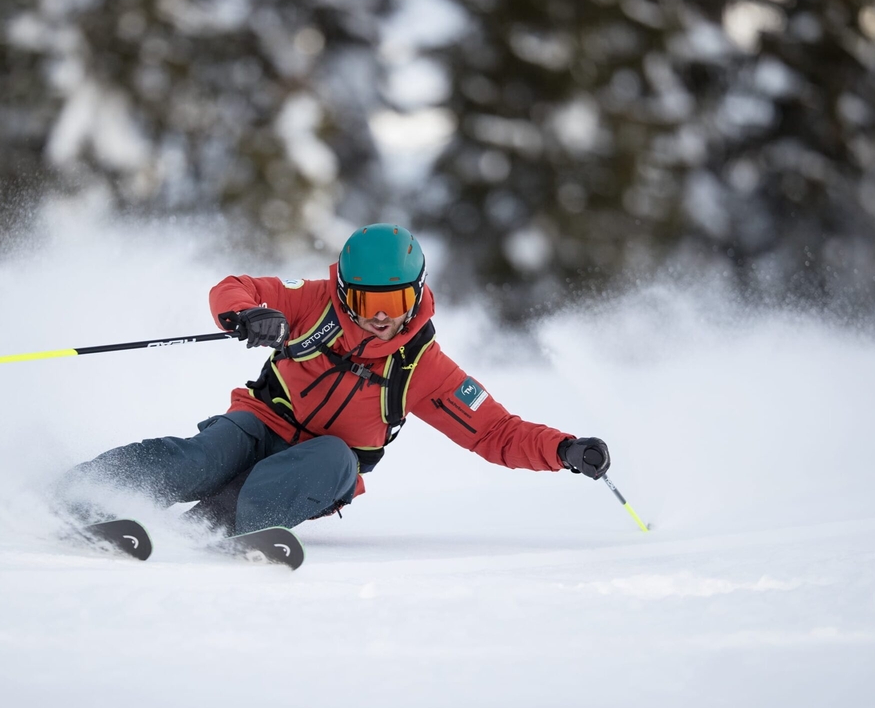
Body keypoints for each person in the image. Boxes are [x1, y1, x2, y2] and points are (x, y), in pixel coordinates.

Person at [60, 223, 610, 535]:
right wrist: (246, 315)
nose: (381, 315)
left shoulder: (424, 367)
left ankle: (215, 529)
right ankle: (81, 491)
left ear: (415, 295)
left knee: (335, 459)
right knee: (201, 458)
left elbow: (496, 431)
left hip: (320, 463)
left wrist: (563, 449)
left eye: (395, 301)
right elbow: (235, 286)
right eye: (369, 300)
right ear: (346, 291)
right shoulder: (313, 303)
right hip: (260, 421)